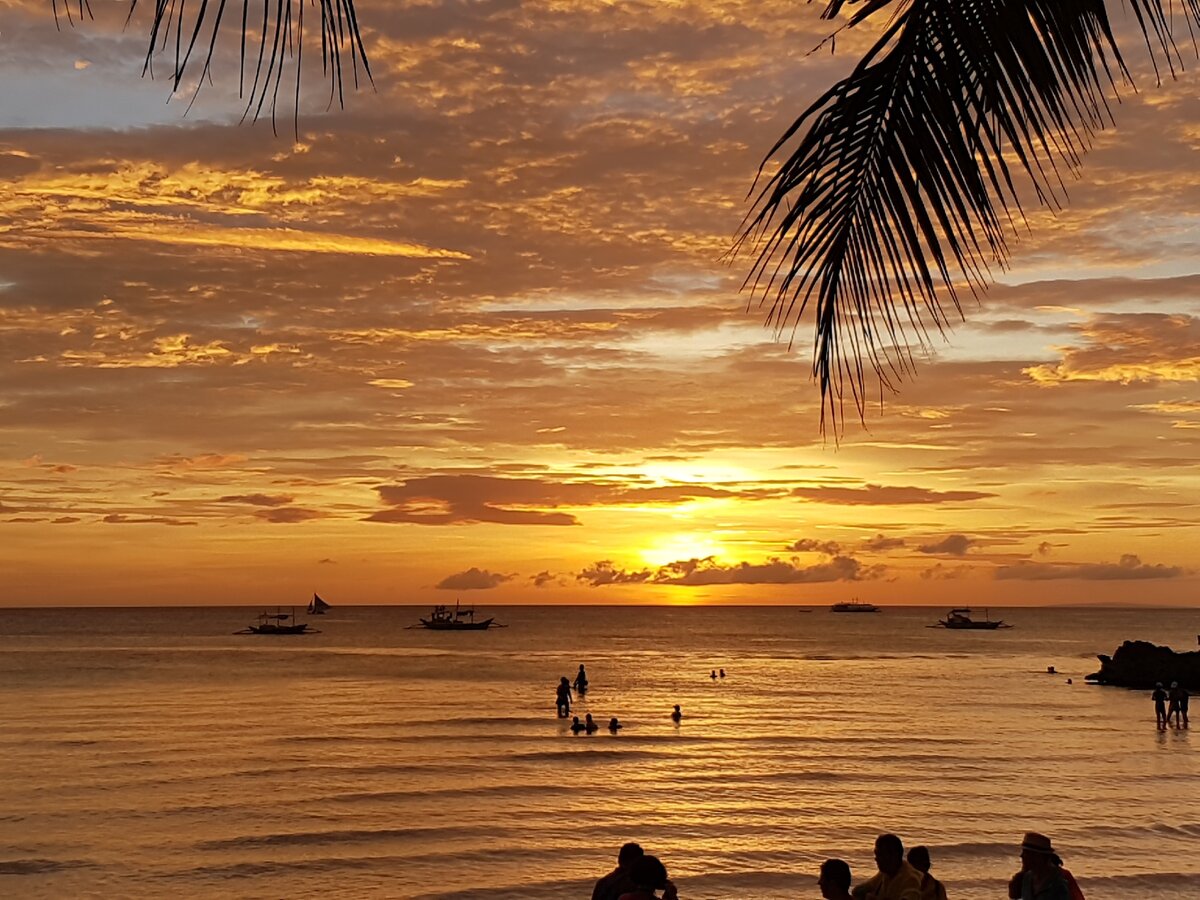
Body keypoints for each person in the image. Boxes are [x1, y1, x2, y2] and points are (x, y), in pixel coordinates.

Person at [850, 833, 923, 900]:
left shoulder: (911, 878)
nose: (876, 858)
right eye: (876, 854)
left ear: (894, 856)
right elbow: (859, 890)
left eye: (881, 855)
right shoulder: (885, 873)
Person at [1007, 832, 1070, 900]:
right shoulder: (1027, 878)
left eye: (1025, 853)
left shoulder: (1058, 883)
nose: (1021, 856)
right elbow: (1013, 895)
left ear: (1037, 857)